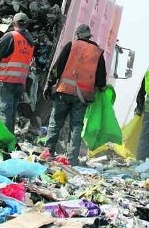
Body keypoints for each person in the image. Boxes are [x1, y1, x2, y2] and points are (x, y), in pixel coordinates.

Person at [43, 24, 106, 165]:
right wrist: (100, 88)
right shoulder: (97, 53)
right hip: (82, 96)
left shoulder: (71, 45)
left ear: (78, 35)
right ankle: (72, 159)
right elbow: (101, 79)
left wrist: (49, 84)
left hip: (64, 91)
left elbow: (57, 67)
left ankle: (47, 152)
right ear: (89, 36)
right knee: (76, 126)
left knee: (55, 123)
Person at [0, 12, 35, 133]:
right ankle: (10, 138)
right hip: (20, 82)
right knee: (11, 112)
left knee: (3, 111)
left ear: (14, 23)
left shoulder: (11, 37)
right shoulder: (30, 41)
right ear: (26, 24)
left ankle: (4, 142)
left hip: (6, 79)